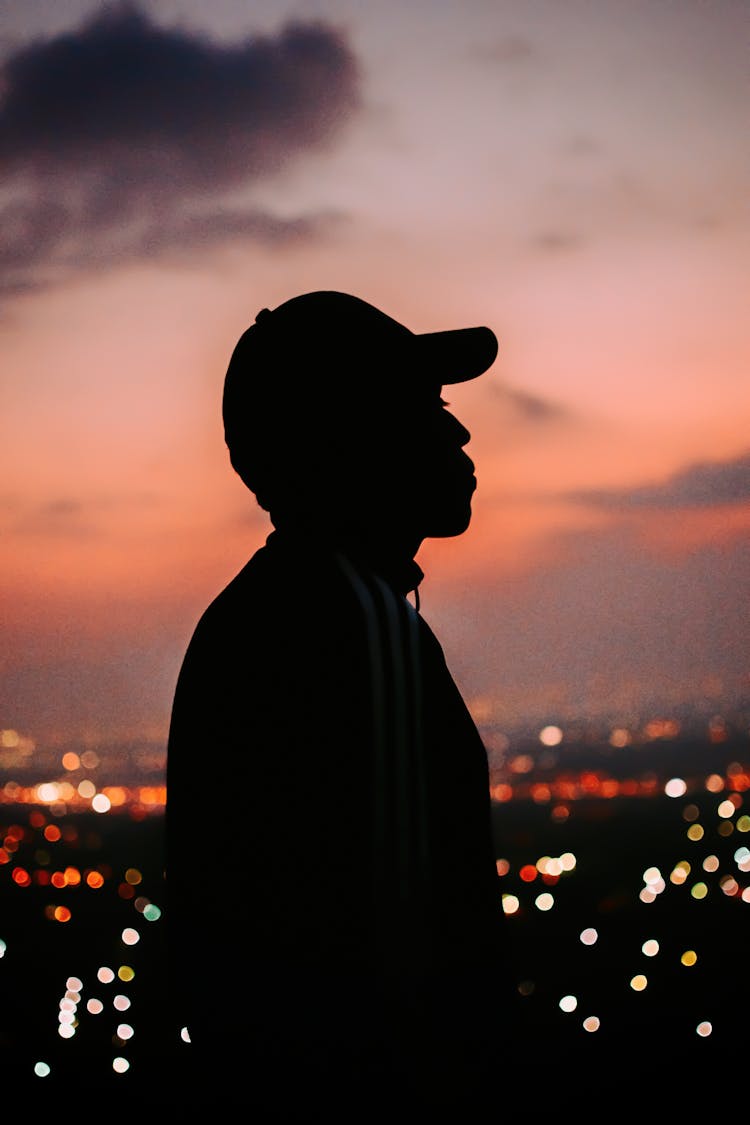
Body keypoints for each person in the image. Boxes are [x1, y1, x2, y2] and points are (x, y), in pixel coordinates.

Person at [165, 291, 509, 1119]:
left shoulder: (275, 609)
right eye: (427, 406)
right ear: (355, 436)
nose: (459, 432)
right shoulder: (350, 621)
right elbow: (398, 963)